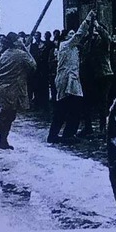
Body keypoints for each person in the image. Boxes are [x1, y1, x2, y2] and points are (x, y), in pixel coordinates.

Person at [47, 10, 95, 143]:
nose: (74, 36)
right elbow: (80, 35)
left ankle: (66, 134)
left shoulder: (73, 48)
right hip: (66, 80)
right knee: (65, 109)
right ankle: (59, 135)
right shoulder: (66, 45)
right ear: (66, 37)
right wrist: (87, 20)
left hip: (71, 81)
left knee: (72, 109)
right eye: (71, 34)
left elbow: (82, 38)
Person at [80, 19, 114, 135]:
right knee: (86, 103)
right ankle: (88, 127)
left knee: (102, 102)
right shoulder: (87, 44)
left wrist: (98, 26)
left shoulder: (103, 42)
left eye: (95, 31)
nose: (93, 33)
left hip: (104, 75)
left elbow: (107, 37)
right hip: (90, 76)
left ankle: (103, 127)